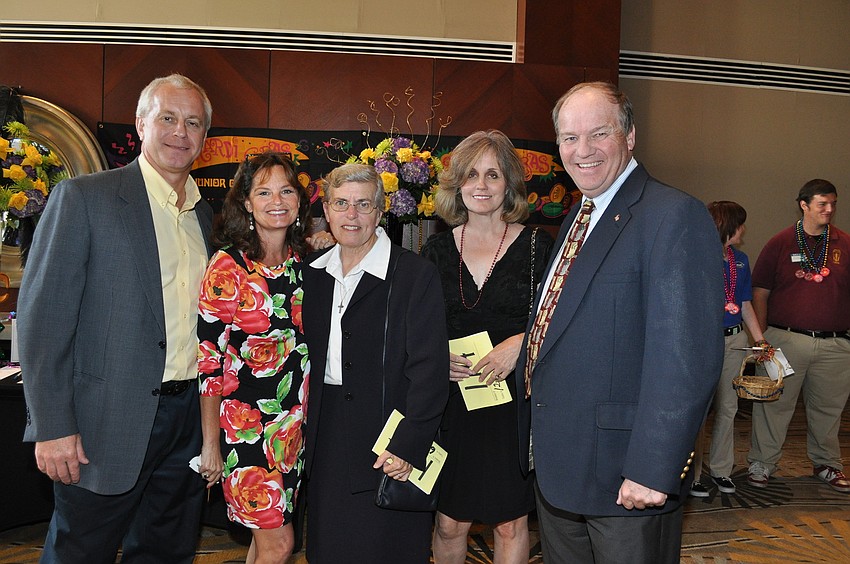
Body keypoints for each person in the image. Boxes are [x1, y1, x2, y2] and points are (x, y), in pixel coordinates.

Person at [515, 81, 724, 563]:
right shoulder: (579, 214)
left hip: (626, 477)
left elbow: (685, 360)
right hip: (562, 468)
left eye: (598, 134)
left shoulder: (673, 216)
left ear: (630, 136)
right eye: (569, 138)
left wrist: (653, 468)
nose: (581, 150)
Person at [18, 73, 214, 562]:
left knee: (168, 551)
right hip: (103, 423)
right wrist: (51, 425)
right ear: (141, 123)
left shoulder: (205, 217)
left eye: (193, 122)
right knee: (79, 552)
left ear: (205, 138)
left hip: (188, 421)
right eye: (168, 117)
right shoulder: (85, 198)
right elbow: (44, 322)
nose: (180, 132)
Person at [302, 163, 449, 563]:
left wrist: (408, 444)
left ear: (380, 212)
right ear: (326, 211)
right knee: (329, 550)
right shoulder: (311, 276)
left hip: (388, 441)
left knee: (388, 550)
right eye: (342, 204)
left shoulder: (415, 276)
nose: (352, 215)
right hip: (325, 439)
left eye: (363, 205)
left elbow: (430, 372)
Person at [421, 130, 554, 563]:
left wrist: (522, 343)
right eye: (471, 174)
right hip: (452, 406)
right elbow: (416, 329)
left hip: (513, 406)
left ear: (509, 184)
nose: (481, 185)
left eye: (492, 174)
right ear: (457, 183)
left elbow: (566, 321)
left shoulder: (539, 247)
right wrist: (436, 356)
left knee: (511, 521)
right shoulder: (436, 250)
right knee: (448, 521)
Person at [196, 151, 314, 562]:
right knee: (280, 543)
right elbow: (209, 362)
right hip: (244, 430)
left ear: (299, 200)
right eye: (263, 192)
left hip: (292, 429)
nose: (276, 200)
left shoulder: (305, 263)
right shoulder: (228, 266)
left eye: (285, 190)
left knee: (263, 542)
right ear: (246, 202)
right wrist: (210, 445)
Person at [746, 179, 850, 493]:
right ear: (803, 205)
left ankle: (827, 464)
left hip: (835, 344)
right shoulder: (780, 243)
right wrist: (761, 339)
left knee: (829, 409)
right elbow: (759, 293)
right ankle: (762, 463)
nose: (829, 209)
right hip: (785, 339)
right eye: (822, 204)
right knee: (774, 406)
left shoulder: (844, 243)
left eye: (833, 203)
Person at [689, 201, 773, 498]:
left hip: (735, 340)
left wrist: (759, 339)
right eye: (740, 224)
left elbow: (746, 302)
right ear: (727, 226)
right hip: (704, 341)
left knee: (729, 407)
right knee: (699, 410)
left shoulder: (741, 260)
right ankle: (693, 475)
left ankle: (721, 470)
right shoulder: (696, 258)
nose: (744, 230)